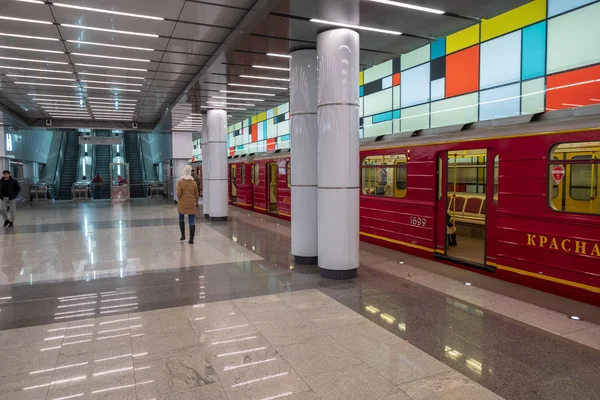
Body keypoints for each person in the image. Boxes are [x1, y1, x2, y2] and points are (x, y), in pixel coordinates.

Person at [176, 165, 199, 244]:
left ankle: (183, 236)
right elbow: (196, 195)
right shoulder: (194, 183)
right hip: (191, 204)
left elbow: (178, 195)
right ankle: (191, 239)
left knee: (181, 218)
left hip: (182, 204)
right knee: (191, 221)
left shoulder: (180, 182)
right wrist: (196, 203)